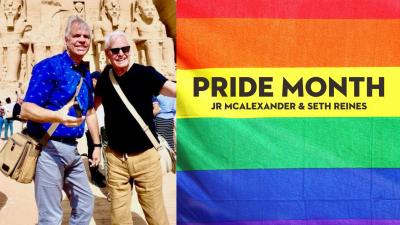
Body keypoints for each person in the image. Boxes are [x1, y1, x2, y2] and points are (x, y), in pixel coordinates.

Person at [20, 16, 101, 225]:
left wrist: (97, 146)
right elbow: (27, 109)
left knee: (84, 204)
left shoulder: (85, 71)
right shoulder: (49, 67)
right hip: (48, 149)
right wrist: (57, 116)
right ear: (66, 40)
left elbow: (90, 111)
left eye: (86, 36)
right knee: (51, 216)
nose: (82, 40)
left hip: (72, 151)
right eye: (76, 36)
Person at [94, 31, 176, 225]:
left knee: (155, 214)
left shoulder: (145, 73)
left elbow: (172, 89)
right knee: (119, 217)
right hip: (115, 158)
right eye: (116, 50)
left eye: (125, 49)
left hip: (146, 157)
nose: (121, 53)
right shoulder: (106, 77)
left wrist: (204, 87)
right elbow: (92, 107)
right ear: (107, 53)